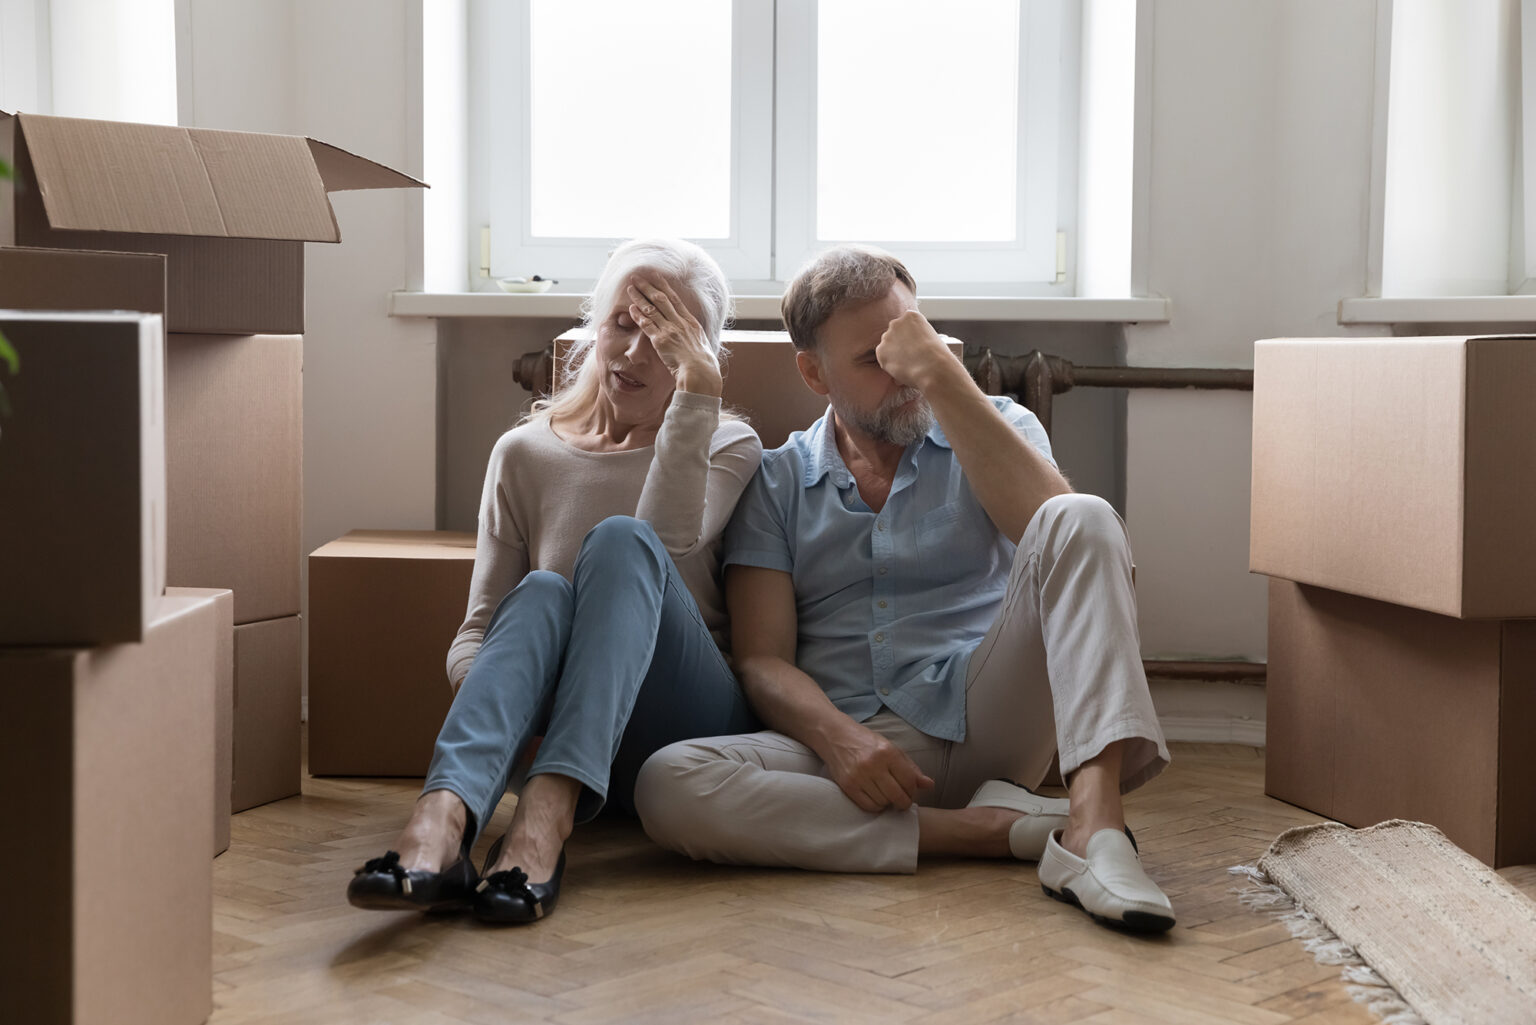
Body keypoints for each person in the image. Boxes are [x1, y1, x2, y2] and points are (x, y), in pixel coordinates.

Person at [634, 244, 1176, 933]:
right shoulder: (775, 481)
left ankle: (1094, 832)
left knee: (1083, 514)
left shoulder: (997, 423)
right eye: (875, 359)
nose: (903, 373)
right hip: (851, 747)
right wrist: (838, 740)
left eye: (908, 343)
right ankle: (994, 829)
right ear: (814, 371)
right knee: (667, 784)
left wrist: (944, 375)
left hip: (990, 713)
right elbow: (763, 659)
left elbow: (1059, 532)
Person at [347, 238, 763, 924]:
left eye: (663, 340)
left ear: (698, 355)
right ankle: (440, 823)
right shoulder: (523, 452)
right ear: (595, 325)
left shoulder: (725, 442)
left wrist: (700, 394)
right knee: (541, 591)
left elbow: (660, 540)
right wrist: (516, 710)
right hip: (555, 734)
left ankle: (544, 818)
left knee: (624, 539)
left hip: (683, 731)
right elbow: (477, 629)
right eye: (624, 325)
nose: (632, 354)